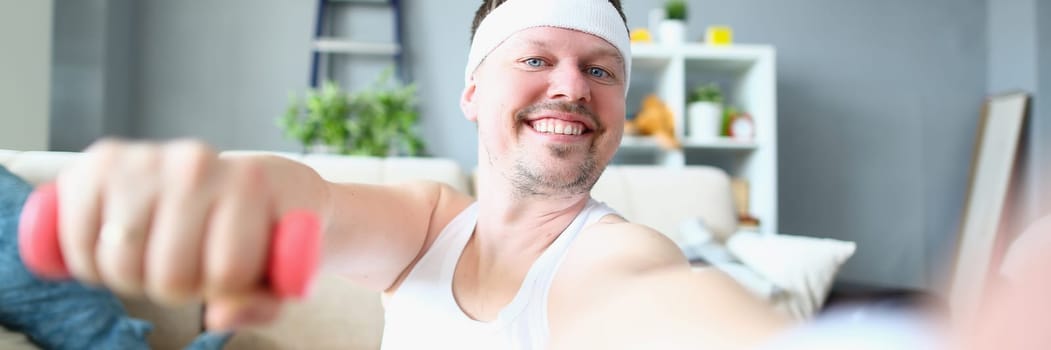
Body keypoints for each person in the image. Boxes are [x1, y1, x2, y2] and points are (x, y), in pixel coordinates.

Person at [48, 0, 791, 348]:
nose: (572, 87)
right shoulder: (428, 226)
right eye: (535, 59)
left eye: (599, 69)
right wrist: (219, 190)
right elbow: (310, 198)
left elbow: (662, 302)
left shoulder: (617, 254)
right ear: (472, 92)